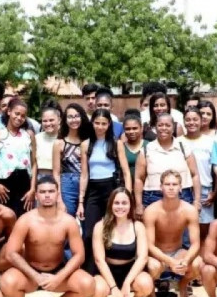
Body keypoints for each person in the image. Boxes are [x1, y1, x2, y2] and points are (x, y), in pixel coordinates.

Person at [0, 176, 101, 297]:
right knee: (7, 283)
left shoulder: (68, 221)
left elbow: (79, 255)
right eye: (43, 192)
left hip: (57, 270)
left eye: (51, 191)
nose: (47, 195)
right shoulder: (26, 220)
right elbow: (11, 253)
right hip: (30, 273)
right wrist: (36, 276)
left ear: (57, 194)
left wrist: (58, 278)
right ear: (36, 195)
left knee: (88, 285)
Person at [143, 170, 203, 297]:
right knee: (152, 266)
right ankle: (151, 291)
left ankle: (182, 286)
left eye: (174, 184)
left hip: (177, 252)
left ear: (180, 187)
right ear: (161, 187)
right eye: (167, 184)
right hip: (157, 255)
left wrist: (186, 260)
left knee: (198, 263)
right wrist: (170, 262)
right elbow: (150, 246)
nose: (171, 187)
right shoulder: (151, 211)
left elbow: (195, 244)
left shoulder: (189, 210)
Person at [78, 108, 132, 251]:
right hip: (93, 190)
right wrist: (81, 202)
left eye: (103, 123)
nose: (100, 127)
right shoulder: (85, 144)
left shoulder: (116, 143)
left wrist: (128, 196)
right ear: (92, 123)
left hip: (111, 188)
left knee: (111, 229)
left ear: (109, 125)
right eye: (97, 123)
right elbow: (84, 174)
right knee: (89, 232)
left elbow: (126, 172)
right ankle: (90, 269)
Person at [92, 188, 151, 297]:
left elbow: (142, 257)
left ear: (131, 205)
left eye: (124, 203)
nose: (120, 207)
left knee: (146, 284)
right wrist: (113, 287)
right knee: (98, 290)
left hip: (129, 270)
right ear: (110, 205)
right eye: (116, 203)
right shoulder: (100, 226)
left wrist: (127, 282)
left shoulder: (138, 226)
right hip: (107, 271)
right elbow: (99, 260)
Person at [133, 113, 199, 211]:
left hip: (183, 195)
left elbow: (195, 175)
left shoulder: (183, 147)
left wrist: (197, 201)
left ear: (173, 128)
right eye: (160, 125)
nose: (164, 128)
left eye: (168, 125)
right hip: (153, 196)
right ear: (155, 128)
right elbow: (138, 179)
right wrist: (138, 204)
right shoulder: (147, 150)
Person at [0, 98, 37, 217]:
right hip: (4, 185)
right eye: (17, 113)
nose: (19, 118)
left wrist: (32, 189)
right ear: (9, 111)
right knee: (4, 219)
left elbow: (34, 163)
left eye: (23, 116)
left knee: (24, 219)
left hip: (24, 184)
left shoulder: (28, 135)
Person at [179, 107, 217, 238]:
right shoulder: (178, 142)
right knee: (185, 231)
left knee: (204, 231)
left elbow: (216, 169)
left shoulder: (211, 142)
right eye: (188, 120)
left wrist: (215, 191)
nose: (192, 122)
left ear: (201, 121)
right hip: (184, 191)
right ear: (183, 122)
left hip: (205, 191)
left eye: (195, 119)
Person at [53, 103, 91, 215]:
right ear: (65, 120)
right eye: (70, 117)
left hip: (88, 184)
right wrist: (59, 198)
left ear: (82, 117)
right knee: (66, 219)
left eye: (77, 116)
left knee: (87, 221)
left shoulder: (89, 141)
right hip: (67, 185)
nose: (74, 120)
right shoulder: (59, 143)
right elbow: (56, 173)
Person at [35, 105, 61, 180]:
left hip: (59, 178)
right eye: (45, 121)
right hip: (39, 177)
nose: (48, 124)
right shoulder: (36, 138)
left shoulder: (63, 138)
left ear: (59, 120)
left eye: (51, 120)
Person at [120, 110, 147, 176]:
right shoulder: (120, 148)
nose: (131, 131)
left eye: (135, 128)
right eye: (128, 129)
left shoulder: (149, 146)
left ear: (141, 128)